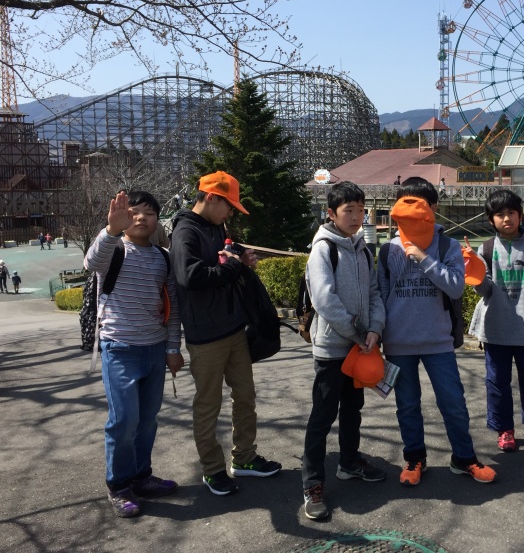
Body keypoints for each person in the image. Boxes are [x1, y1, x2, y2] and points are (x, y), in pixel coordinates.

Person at [378, 177, 496, 486]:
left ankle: (464, 458)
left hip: (438, 340)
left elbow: (456, 287)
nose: (413, 210)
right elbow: (380, 296)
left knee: (453, 402)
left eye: (421, 204)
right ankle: (414, 458)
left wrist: (424, 258)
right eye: (406, 203)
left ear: (434, 208)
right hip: (398, 341)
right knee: (407, 405)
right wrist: (376, 333)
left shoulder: (447, 246)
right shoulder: (387, 250)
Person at [170, 170, 281, 497]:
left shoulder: (216, 226)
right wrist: (234, 265)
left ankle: (244, 457)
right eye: (229, 205)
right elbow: (189, 276)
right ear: (210, 197)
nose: (230, 212)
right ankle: (212, 469)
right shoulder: (185, 231)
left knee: (245, 396)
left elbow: (226, 251)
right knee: (208, 405)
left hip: (234, 327)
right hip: (205, 336)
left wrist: (240, 255)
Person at [84, 190, 184, 518]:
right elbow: (90, 263)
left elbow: (172, 307)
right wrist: (111, 230)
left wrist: (173, 348)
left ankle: (141, 476)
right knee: (124, 420)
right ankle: (118, 485)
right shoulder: (113, 248)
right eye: (134, 212)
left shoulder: (163, 258)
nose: (141, 218)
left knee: (147, 420)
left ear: (157, 220)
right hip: (119, 349)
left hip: (155, 349)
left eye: (149, 213)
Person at [301, 181, 387, 521]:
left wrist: (375, 328)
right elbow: (324, 300)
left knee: (353, 410)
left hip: (359, 347)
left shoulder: (363, 250)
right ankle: (312, 483)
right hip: (332, 349)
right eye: (348, 210)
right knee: (322, 417)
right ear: (331, 213)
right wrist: (356, 333)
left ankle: (349, 463)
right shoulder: (324, 249)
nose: (355, 216)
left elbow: (375, 292)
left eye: (360, 210)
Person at [466, 189, 524, 452]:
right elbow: (484, 291)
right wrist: (473, 267)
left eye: (511, 213)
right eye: (500, 214)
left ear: (520, 215)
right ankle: (504, 429)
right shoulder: (486, 249)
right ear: (491, 219)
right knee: (497, 383)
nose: (506, 218)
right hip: (495, 330)